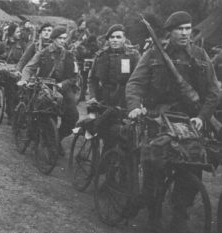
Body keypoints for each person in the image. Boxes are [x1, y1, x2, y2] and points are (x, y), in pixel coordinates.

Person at [125, 11, 220, 233]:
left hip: (190, 122)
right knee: (154, 170)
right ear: (170, 32)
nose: (185, 33)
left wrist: (202, 117)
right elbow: (135, 83)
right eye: (180, 29)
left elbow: (214, 93)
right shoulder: (154, 55)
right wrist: (134, 107)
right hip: (158, 119)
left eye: (188, 28)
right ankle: (152, 211)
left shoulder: (200, 55)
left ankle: (180, 216)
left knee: (192, 169)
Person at [19, 26, 79, 153]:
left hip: (63, 87)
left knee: (73, 116)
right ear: (53, 39)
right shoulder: (43, 52)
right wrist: (24, 79)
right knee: (40, 110)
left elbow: (74, 77)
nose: (62, 41)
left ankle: (56, 137)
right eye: (59, 38)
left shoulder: (69, 55)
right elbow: (29, 67)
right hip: (44, 86)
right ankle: (39, 137)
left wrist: (63, 84)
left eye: (64, 38)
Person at [88, 24, 140, 152]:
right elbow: (92, 79)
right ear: (108, 39)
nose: (115, 40)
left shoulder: (133, 55)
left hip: (125, 98)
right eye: (112, 37)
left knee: (123, 132)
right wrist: (93, 97)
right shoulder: (101, 55)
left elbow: (139, 79)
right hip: (104, 97)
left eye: (118, 37)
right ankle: (100, 160)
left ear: (124, 39)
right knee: (100, 129)